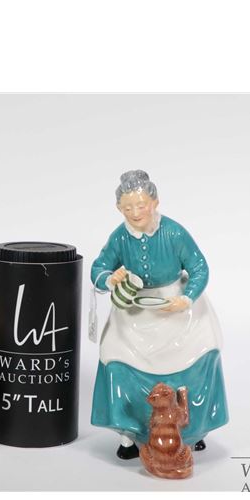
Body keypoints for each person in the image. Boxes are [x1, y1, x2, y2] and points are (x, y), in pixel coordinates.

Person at [90, 170, 228, 460]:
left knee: (203, 353)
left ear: (154, 202)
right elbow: (98, 268)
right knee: (115, 358)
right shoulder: (120, 237)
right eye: (127, 208)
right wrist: (110, 279)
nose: (135, 213)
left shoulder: (174, 232)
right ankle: (129, 432)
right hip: (135, 311)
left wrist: (186, 299)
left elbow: (199, 267)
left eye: (141, 205)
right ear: (118, 209)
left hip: (176, 307)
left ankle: (194, 429)